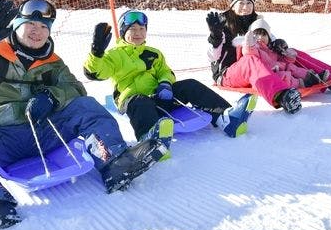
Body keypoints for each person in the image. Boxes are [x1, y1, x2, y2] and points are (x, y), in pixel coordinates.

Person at [0, 0, 168, 230]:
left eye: (44, 27)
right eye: (32, 25)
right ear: (17, 25)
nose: (38, 32)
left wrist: (51, 96)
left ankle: (114, 162)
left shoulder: (53, 63)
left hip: (45, 132)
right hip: (1, 137)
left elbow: (76, 88)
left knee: (85, 106)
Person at [83, 9, 257, 149]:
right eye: (132, 29)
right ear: (123, 33)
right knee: (140, 101)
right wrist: (96, 53)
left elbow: (165, 71)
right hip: (136, 101)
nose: (138, 33)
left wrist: (165, 83)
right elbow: (97, 72)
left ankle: (225, 117)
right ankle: (150, 143)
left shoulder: (153, 53)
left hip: (160, 95)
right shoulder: (114, 55)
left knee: (190, 85)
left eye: (142, 29)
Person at [206, 0, 331, 113]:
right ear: (233, 4)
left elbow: (270, 42)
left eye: (248, 3)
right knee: (249, 60)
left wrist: (279, 46)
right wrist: (215, 36)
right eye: (241, 3)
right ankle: (282, 96)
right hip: (228, 73)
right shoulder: (221, 23)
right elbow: (213, 57)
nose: (245, 7)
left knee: (290, 52)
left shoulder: (257, 21)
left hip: (258, 63)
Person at [243, 18, 330, 89]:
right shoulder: (255, 48)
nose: (260, 37)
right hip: (267, 73)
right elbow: (249, 52)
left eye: (264, 35)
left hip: (278, 67)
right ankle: (301, 84)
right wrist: (249, 44)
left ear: (269, 37)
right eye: (257, 35)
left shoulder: (271, 49)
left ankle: (311, 76)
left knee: (291, 67)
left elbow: (282, 60)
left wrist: (287, 55)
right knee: (284, 76)